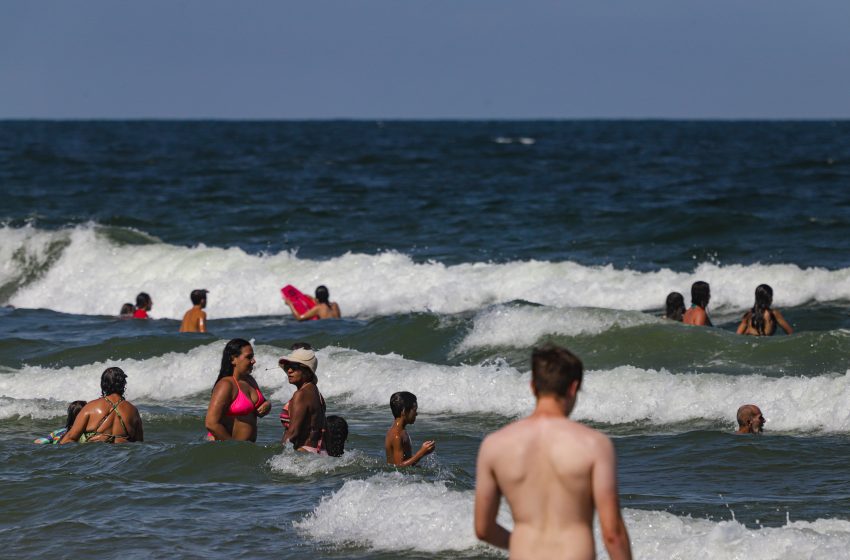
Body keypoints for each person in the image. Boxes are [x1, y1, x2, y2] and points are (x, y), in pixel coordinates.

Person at [474, 345, 632, 560]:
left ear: (532, 386)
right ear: (573, 388)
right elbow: (612, 534)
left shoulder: (494, 445)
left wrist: (525, 545)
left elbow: (483, 529)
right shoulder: (594, 445)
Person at [205, 338, 271, 441]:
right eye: (249, 357)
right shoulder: (226, 385)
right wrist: (232, 448)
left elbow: (261, 404)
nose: (254, 361)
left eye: (253, 356)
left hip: (247, 450)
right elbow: (211, 423)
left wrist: (267, 405)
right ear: (233, 359)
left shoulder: (250, 380)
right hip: (228, 452)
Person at [60, 368, 144, 443]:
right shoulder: (133, 411)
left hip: (97, 456)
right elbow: (139, 444)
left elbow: (68, 440)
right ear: (123, 384)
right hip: (122, 458)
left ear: (103, 385)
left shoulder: (90, 408)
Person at [279, 347, 327, 453]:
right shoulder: (316, 393)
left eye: (294, 367)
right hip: (318, 452)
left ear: (307, 371)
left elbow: (293, 432)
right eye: (287, 367)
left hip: (303, 453)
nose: (289, 370)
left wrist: (276, 453)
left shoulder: (301, 395)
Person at [385, 391, 436, 467]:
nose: (416, 414)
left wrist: (424, 452)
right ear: (404, 411)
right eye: (414, 410)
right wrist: (421, 453)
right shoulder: (396, 435)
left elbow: (406, 463)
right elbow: (399, 467)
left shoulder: (401, 432)